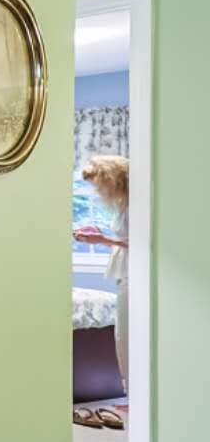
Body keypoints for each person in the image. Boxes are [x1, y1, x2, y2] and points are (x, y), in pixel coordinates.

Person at [77, 155, 130, 386]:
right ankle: (129, 386)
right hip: (124, 272)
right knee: (123, 332)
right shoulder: (123, 204)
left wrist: (101, 240)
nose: (98, 192)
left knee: (127, 331)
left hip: (133, 272)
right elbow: (124, 238)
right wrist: (100, 235)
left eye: (99, 186)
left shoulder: (135, 205)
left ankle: (133, 388)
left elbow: (141, 243)